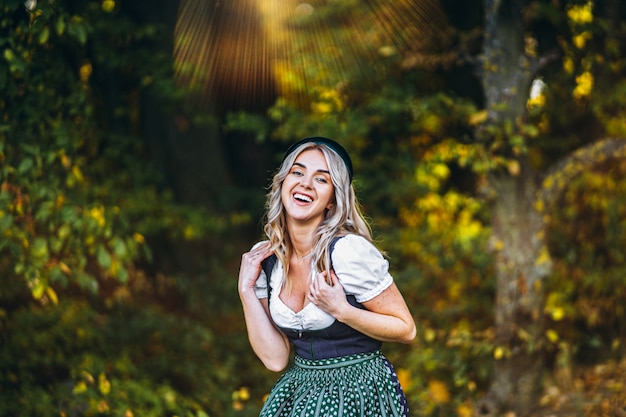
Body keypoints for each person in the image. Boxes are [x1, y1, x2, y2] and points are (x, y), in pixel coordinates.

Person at [238, 136, 417, 417]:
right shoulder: (266, 259)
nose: (305, 183)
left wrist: (342, 310)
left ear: (332, 201)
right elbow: (275, 359)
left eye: (321, 179)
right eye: (297, 172)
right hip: (301, 391)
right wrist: (247, 290)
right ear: (282, 183)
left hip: (358, 391)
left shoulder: (347, 252)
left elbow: (406, 328)